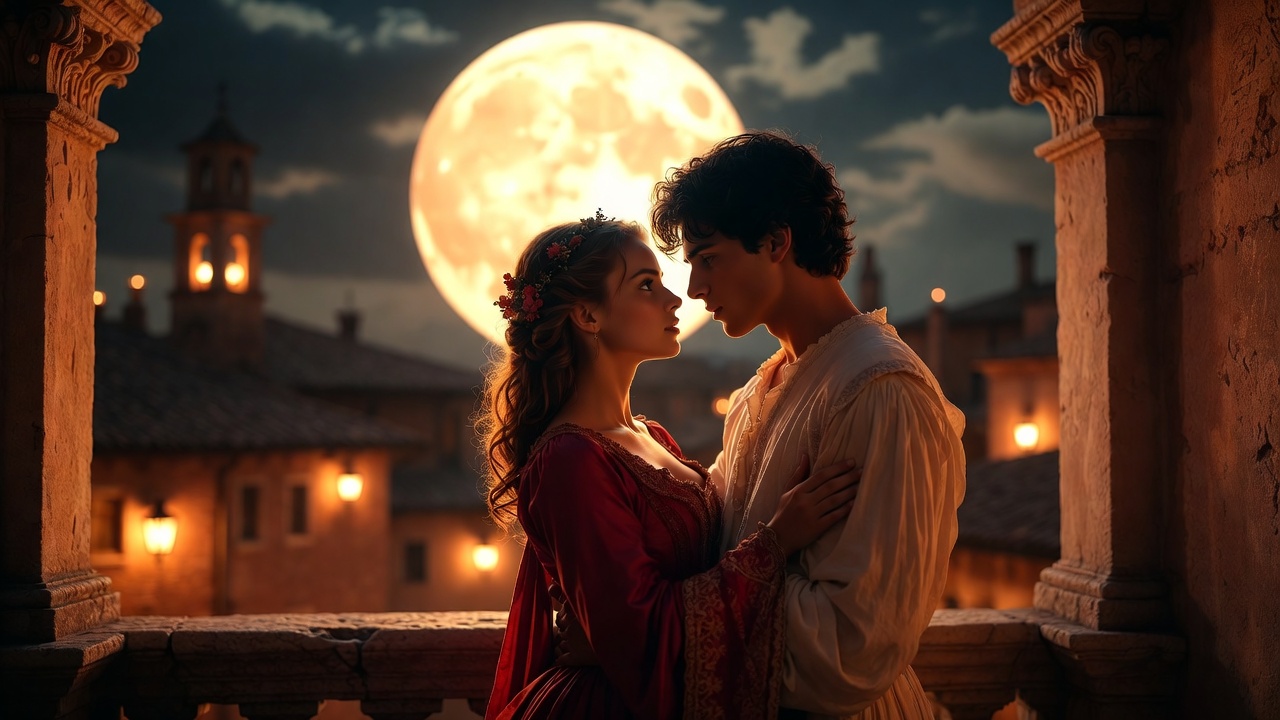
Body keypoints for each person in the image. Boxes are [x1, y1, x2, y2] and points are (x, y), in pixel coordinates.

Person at [480, 212, 862, 720]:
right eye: (646, 285)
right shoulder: (569, 461)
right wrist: (777, 541)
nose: (676, 299)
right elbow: (638, 635)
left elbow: (634, 623)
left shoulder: (651, 436)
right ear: (588, 317)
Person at [646, 131, 968, 718]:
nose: (694, 289)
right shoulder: (752, 397)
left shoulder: (881, 390)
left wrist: (672, 626)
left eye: (709, 259)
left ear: (775, 242)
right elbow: (712, 553)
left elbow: (853, 650)